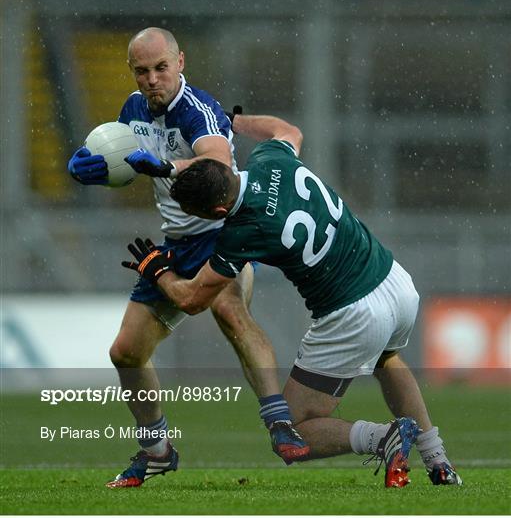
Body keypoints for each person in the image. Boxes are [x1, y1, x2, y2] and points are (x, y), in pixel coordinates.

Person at [122, 112, 463, 488]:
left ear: (217, 213)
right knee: (387, 359)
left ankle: (384, 437)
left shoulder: (242, 231)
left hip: (354, 311)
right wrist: (235, 121)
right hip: (394, 282)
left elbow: (191, 300)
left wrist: (158, 271)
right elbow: (288, 130)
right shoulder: (271, 159)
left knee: (291, 431)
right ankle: (439, 461)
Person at [67, 28, 308, 489]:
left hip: (221, 229)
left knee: (229, 310)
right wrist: (93, 170)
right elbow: (125, 162)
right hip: (177, 241)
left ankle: (280, 423)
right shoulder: (132, 110)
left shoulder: (198, 110)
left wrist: (163, 167)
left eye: (161, 67)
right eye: (142, 71)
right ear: (133, 72)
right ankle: (157, 450)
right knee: (125, 352)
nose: (153, 79)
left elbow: (216, 164)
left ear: (181, 62)